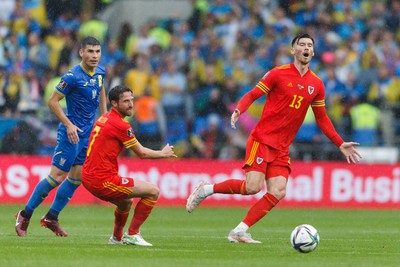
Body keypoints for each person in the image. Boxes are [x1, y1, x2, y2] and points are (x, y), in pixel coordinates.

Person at [186, 33, 362, 243]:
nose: (306, 48)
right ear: (293, 50)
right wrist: (239, 110)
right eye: (302, 44)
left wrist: (340, 142)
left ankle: (239, 231)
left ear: (313, 52)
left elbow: (322, 118)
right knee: (252, 187)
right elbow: (252, 94)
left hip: (282, 147)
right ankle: (206, 189)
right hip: (262, 139)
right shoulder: (278, 74)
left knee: (278, 191)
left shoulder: (316, 84)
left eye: (309, 45)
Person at [15, 36, 107, 237]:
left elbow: (100, 89)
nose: (94, 56)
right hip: (70, 133)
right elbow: (52, 101)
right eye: (90, 51)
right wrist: (68, 124)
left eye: (97, 51)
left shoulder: (100, 72)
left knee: (77, 177)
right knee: (57, 176)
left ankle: (51, 217)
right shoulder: (72, 76)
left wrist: (105, 115)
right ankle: (25, 214)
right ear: (81, 52)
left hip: (86, 134)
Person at [81, 85, 177, 246]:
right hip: (101, 179)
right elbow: (142, 153)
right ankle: (133, 234)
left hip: (90, 176)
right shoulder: (121, 125)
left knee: (125, 202)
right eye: (126, 101)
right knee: (152, 191)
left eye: (132, 100)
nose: (131, 104)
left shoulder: (104, 118)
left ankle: (117, 238)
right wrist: (163, 153)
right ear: (115, 104)